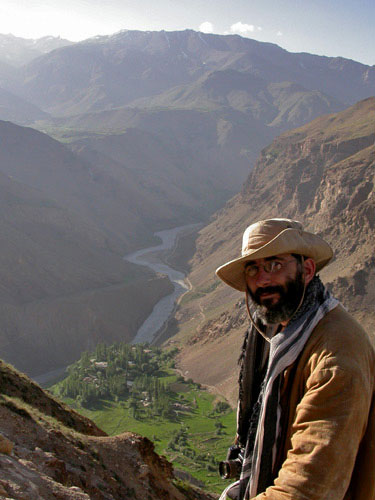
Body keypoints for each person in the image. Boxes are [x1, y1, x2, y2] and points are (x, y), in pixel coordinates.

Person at [215, 218, 375, 500]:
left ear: (307, 270)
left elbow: (309, 487)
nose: (262, 279)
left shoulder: (336, 354)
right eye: (253, 268)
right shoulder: (277, 333)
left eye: (275, 265)